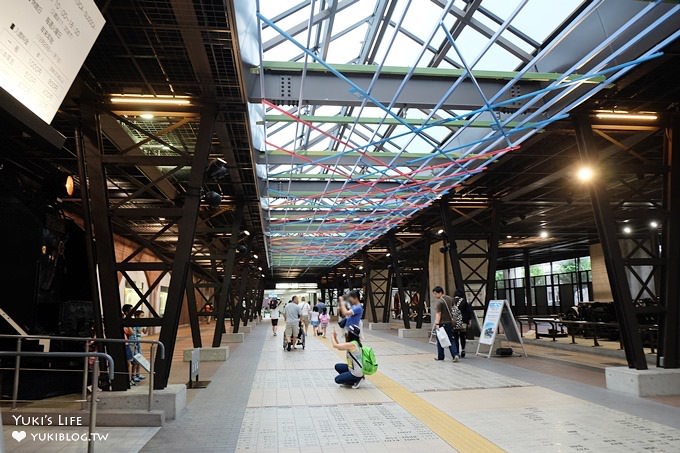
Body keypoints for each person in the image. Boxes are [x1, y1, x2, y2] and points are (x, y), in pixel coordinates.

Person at [331, 324, 364, 388]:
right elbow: (339, 347)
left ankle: (357, 379)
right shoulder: (354, 343)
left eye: (348, 332)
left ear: (351, 334)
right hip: (352, 368)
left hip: (356, 372)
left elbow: (335, 345)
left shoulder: (352, 344)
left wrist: (332, 336)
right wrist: (335, 337)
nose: (347, 333)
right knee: (338, 366)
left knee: (337, 380)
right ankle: (350, 380)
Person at [432, 286, 459, 362]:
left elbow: (438, 314)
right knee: (451, 340)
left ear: (440, 293)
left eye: (435, 294)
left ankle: (441, 356)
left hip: (442, 324)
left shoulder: (440, 302)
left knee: (440, 340)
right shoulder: (451, 299)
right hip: (450, 323)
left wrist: (437, 324)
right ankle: (455, 355)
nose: (434, 296)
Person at [454, 288, 472, 358]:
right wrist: (469, 321)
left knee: (455, 337)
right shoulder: (464, 301)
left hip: (455, 322)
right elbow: (468, 312)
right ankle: (463, 349)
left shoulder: (452, 301)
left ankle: (457, 351)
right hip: (463, 321)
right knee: (462, 336)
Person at [131, 310, 147, 383]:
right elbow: (139, 331)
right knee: (136, 358)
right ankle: (133, 375)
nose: (143, 317)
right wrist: (143, 325)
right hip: (136, 340)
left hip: (139, 340)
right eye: (142, 315)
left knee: (140, 357)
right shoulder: (136, 323)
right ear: (137, 316)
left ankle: (138, 374)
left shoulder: (141, 323)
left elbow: (145, 332)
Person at [121, 304, 136, 386]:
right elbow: (131, 332)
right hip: (127, 343)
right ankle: (129, 379)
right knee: (129, 362)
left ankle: (130, 378)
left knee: (130, 362)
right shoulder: (125, 322)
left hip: (129, 342)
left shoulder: (129, 320)